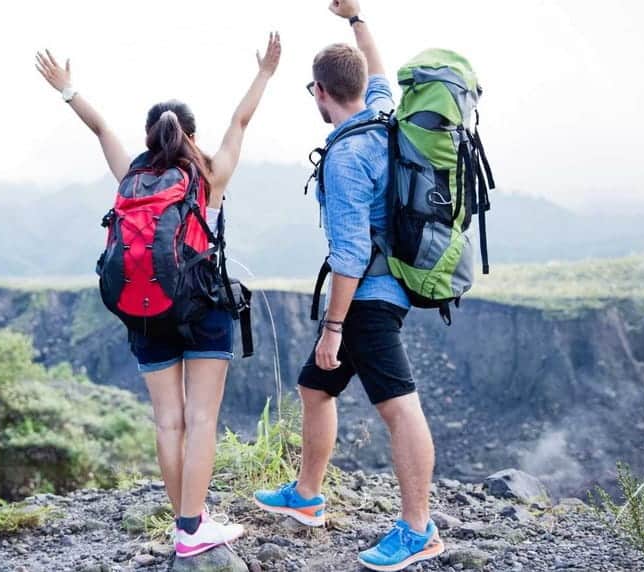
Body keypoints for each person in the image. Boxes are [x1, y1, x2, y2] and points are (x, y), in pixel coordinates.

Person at [35, 32, 281, 557]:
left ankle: (186, 522)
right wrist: (264, 73)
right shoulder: (208, 174)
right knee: (201, 420)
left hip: (144, 311)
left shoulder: (133, 175)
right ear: (190, 134)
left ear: (149, 138)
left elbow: (101, 126)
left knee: (169, 420)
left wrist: (67, 89)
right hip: (203, 307)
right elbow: (240, 123)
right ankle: (193, 529)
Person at [252, 2, 443, 571]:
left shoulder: (345, 155)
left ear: (319, 92)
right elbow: (379, 70)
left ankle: (419, 530)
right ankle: (307, 497)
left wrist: (333, 328)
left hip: (367, 301)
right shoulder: (384, 111)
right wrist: (356, 19)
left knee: (400, 410)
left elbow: (351, 255)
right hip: (388, 286)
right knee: (316, 390)